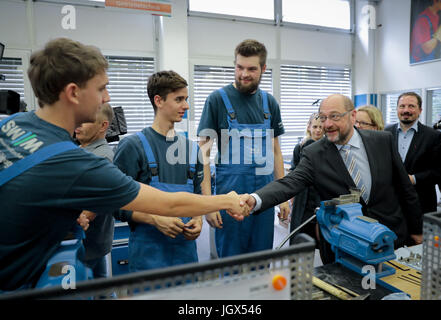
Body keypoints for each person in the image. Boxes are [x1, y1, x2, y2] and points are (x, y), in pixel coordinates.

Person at [0, 38, 248, 292]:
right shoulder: (75, 163)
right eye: (101, 89)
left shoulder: (12, 124)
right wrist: (227, 201)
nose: (107, 98)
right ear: (74, 93)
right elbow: (168, 204)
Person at [239, 94, 423, 264]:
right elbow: (290, 182)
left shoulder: (382, 141)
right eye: (322, 117)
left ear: (352, 116)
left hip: (390, 237)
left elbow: (405, 188)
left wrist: (417, 231)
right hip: (346, 245)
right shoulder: (314, 154)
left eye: (335, 116)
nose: (327, 124)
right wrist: (255, 199)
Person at [197, 39, 289, 258]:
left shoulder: (269, 103)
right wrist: (209, 203)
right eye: (239, 67)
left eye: (251, 69)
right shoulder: (217, 100)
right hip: (230, 199)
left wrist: (282, 196)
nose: (244, 74)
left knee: (261, 264)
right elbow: (204, 154)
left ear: (263, 69)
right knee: (231, 266)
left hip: (264, 200)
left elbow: (276, 152)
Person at [113, 70, 204, 272]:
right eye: (179, 99)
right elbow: (115, 203)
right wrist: (154, 219)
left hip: (186, 259)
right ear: (158, 101)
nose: (186, 106)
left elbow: (198, 197)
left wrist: (198, 220)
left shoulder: (192, 150)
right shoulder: (132, 146)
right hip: (148, 260)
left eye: (186, 99)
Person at [74, 102, 115, 279]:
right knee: (101, 288)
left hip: (86, 242)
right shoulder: (81, 150)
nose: (78, 124)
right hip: (88, 243)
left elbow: (97, 204)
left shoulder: (102, 157)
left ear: (103, 126)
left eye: (85, 121)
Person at [385, 92, 441, 218]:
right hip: (391, 202)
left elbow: (438, 172)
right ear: (397, 109)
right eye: (402, 106)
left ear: (420, 110)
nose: (406, 110)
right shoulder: (385, 133)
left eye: (411, 106)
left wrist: (413, 179)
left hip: (421, 203)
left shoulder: (433, 136)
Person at [289, 113, 323, 245]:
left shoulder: (329, 147)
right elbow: (293, 171)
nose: (318, 130)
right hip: (303, 197)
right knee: (300, 234)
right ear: (309, 127)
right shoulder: (300, 147)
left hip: (320, 196)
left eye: (321, 127)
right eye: (315, 126)